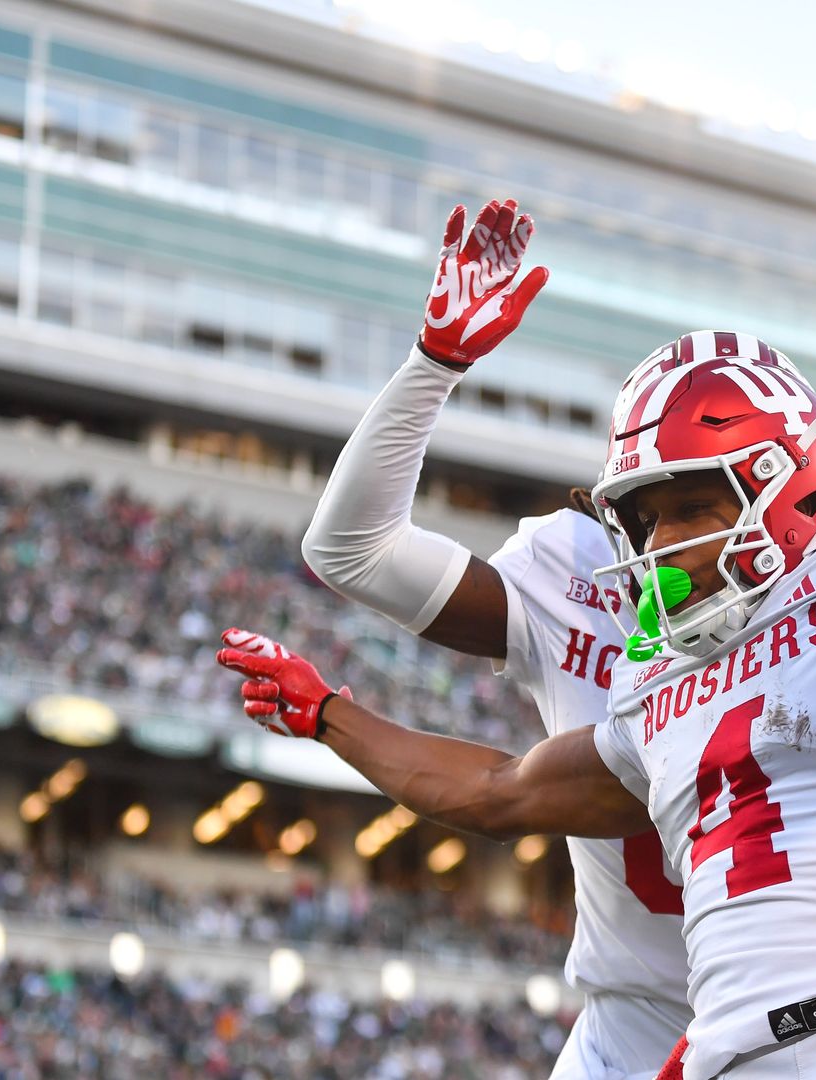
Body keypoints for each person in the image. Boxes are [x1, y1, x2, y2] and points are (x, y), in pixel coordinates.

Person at [221, 96, 816, 1079]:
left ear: (795, 484)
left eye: (689, 505)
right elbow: (500, 790)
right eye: (645, 515)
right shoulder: (663, 684)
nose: (657, 544)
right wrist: (328, 716)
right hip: (716, 1048)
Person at [286, 199, 690, 1080]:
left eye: (710, 496)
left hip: (790, 1020)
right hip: (625, 1029)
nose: (681, 531)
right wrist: (432, 364)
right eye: (664, 494)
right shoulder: (580, 568)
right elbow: (349, 550)